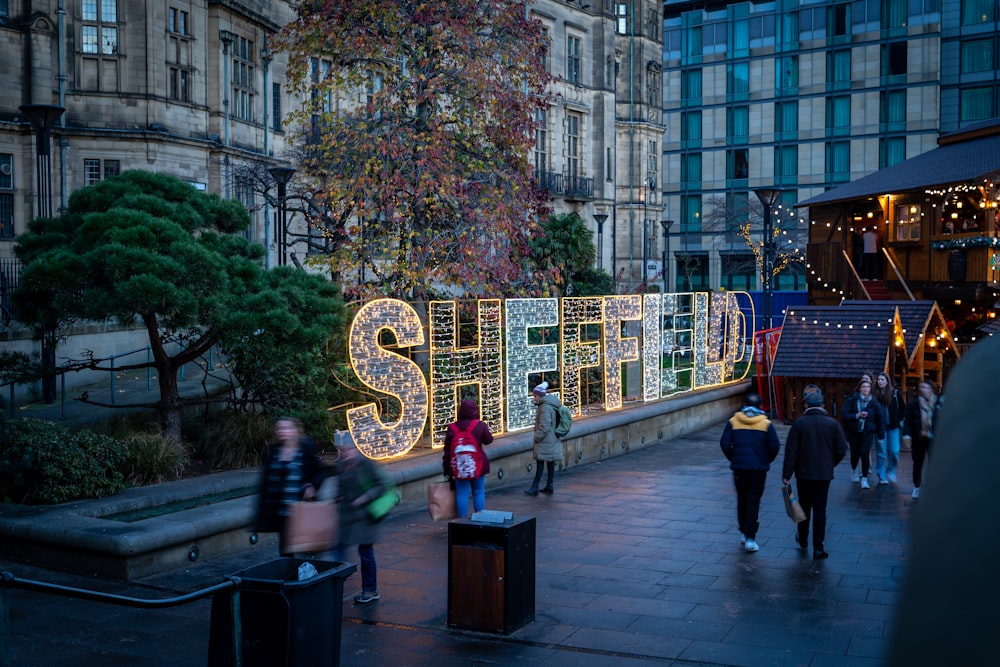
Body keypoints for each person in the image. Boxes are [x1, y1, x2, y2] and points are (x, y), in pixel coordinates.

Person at [782, 386, 849, 560]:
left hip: (803, 473)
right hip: (823, 474)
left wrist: (787, 473)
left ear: (806, 405)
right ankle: (818, 548)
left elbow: (791, 452)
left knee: (803, 507)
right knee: (820, 509)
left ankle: (803, 539)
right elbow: (841, 449)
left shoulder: (799, 424)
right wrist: (830, 464)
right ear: (822, 405)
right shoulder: (832, 424)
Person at [254, 417, 329, 556]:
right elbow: (266, 480)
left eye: (287, 428)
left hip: (301, 509)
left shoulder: (305, 448)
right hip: (281, 511)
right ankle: (290, 575)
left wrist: (312, 486)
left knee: (307, 550)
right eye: (280, 428)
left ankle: (310, 574)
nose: (283, 431)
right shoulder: (274, 450)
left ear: (296, 430)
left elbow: (322, 471)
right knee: (286, 552)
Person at [719, 393, 781, 553]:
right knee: (754, 501)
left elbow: (724, 443)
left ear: (744, 404)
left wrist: (733, 458)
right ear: (760, 406)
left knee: (742, 499)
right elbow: (774, 446)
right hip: (758, 470)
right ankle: (751, 538)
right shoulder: (766, 424)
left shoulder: (733, 421)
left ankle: (743, 531)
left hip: (739, 469)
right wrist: (766, 460)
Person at [331, 431, 387, 604]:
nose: (344, 453)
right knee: (337, 551)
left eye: (347, 450)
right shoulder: (341, 464)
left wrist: (365, 497)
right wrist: (338, 498)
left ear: (355, 448)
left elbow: (381, 485)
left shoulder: (365, 464)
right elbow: (341, 486)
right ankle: (332, 586)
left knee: (366, 554)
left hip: (364, 517)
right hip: (347, 517)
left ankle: (370, 590)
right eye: (341, 450)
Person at [442, 398, 494, 518]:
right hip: (477, 465)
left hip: (460, 467)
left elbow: (447, 451)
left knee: (462, 493)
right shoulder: (479, 425)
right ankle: (480, 518)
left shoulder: (452, 428)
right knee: (478, 492)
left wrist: (447, 469)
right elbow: (489, 440)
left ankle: (462, 522)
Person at [841, 378, 885, 489]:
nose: (865, 389)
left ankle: (864, 478)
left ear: (870, 389)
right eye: (864, 387)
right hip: (854, 431)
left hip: (868, 432)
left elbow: (880, 419)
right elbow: (844, 415)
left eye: (868, 387)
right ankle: (854, 470)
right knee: (855, 453)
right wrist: (857, 415)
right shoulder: (852, 400)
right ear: (860, 388)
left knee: (864, 453)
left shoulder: (874, 403)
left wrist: (880, 436)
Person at [902, 380, 941, 499]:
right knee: (917, 463)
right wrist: (907, 434)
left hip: (934, 438)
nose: (923, 390)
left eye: (926, 387)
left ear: (931, 389)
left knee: (934, 463)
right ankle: (917, 486)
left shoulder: (938, 404)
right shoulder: (914, 404)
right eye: (921, 388)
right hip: (918, 437)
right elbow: (907, 420)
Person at [524, 381, 562, 496]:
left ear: (540, 396)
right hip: (552, 438)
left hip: (545, 440)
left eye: (535, 396)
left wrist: (537, 437)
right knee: (550, 462)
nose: (534, 398)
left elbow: (544, 425)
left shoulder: (545, 407)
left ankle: (535, 486)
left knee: (540, 462)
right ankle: (549, 485)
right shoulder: (551, 404)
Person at [873, 372, 905, 484]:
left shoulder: (895, 393)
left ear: (887, 381)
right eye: (879, 380)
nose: (880, 382)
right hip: (880, 428)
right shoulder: (874, 395)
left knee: (894, 451)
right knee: (881, 453)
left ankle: (891, 470)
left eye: (883, 380)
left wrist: (898, 419)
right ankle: (881, 476)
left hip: (893, 427)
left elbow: (903, 408)